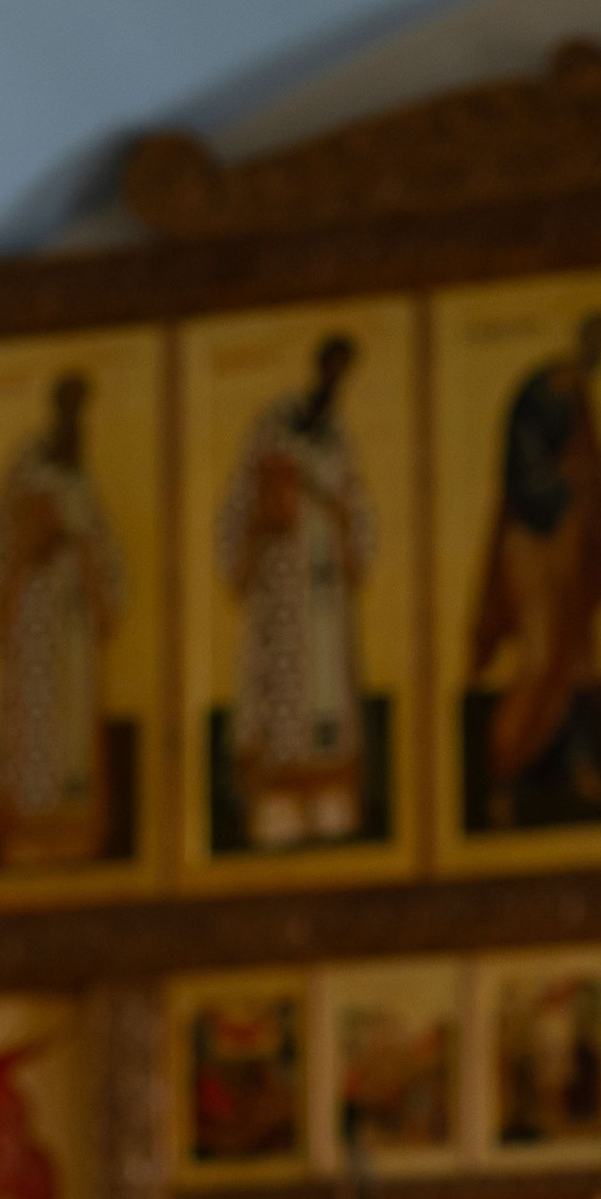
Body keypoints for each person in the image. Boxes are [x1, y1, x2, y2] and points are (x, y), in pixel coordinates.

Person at [467, 310, 601, 820]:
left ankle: (577, 766)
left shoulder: (578, 393)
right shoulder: (546, 391)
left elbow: (580, 466)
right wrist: (579, 478)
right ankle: (504, 776)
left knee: (583, 661)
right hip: (536, 544)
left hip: (569, 546)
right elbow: (530, 474)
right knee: (543, 661)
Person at [217, 333, 379, 849]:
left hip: (325, 599)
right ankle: (277, 806)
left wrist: (347, 537)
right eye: (331, 367)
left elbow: (358, 511)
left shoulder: (337, 439)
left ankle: (329, 801)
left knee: (328, 698)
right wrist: (259, 528)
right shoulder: (269, 434)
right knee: (279, 694)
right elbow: (238, 512)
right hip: (280, 595)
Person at [0, 371, 126, 869]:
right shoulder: (24, 474)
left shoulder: (83, 482)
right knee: (31, 725)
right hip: (31, 631)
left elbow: (103, 559)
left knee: (73, 735)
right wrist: (32, 545)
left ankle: (74, 836)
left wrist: (78, 550)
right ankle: (24, 835)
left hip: (74, 633)